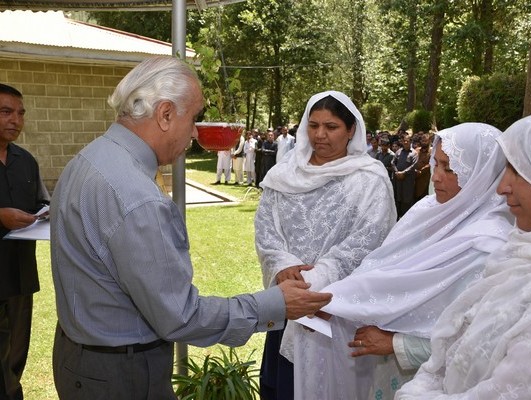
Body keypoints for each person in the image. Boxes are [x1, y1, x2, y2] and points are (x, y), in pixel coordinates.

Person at [49, 56, 332, 400]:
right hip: (120, 373)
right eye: (194, 117)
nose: (195, 132)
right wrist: (274, 304)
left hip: (83, 357)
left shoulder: (91, 157)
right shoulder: (136, 196)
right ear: (166, 114)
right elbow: (180, 315)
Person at [313, 123, 514, 400]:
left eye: (450, 168)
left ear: (483, 174)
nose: (437, 176)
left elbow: (478, 341)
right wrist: (335, 301)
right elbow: (384, 269)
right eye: (436, 164)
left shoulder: (492, 245)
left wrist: (398, 344)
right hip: (386, 372)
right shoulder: (426, 211)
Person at [396, 110, 531, 399]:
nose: (502, 187)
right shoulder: (518, 251)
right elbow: (458, 340)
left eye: (518, 172)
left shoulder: (499, 244)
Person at [255, 90, 396, 400]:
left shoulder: (368, 180)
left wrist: (318, 280)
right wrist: (282, 266)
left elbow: (371, 239)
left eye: (331, 127)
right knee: (282, 387)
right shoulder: (283, 175)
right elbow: (266, 230)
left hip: (336, 308)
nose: (320, 135)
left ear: (351, 130)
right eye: (314, 125)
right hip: (288, 301)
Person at [0, 84, 50, 400]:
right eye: (6, 112)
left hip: (20, 277)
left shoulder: (27, 161)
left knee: (16, 354)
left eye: (20, 113)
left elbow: (39, 203)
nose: (15, 120)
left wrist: (47, 213)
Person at [392, 133, 418, 218]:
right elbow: (393, 163)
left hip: (407, 181)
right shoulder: (398, 152)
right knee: (397, 198)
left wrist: (404, 173)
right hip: (398, 180)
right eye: (404, 141)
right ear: (402, 142)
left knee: (407, 200)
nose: (406, 142)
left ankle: (406, 218)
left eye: (407, 141)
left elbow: (414, 165)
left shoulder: (414, 153)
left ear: (410, 141)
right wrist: (397, 172)